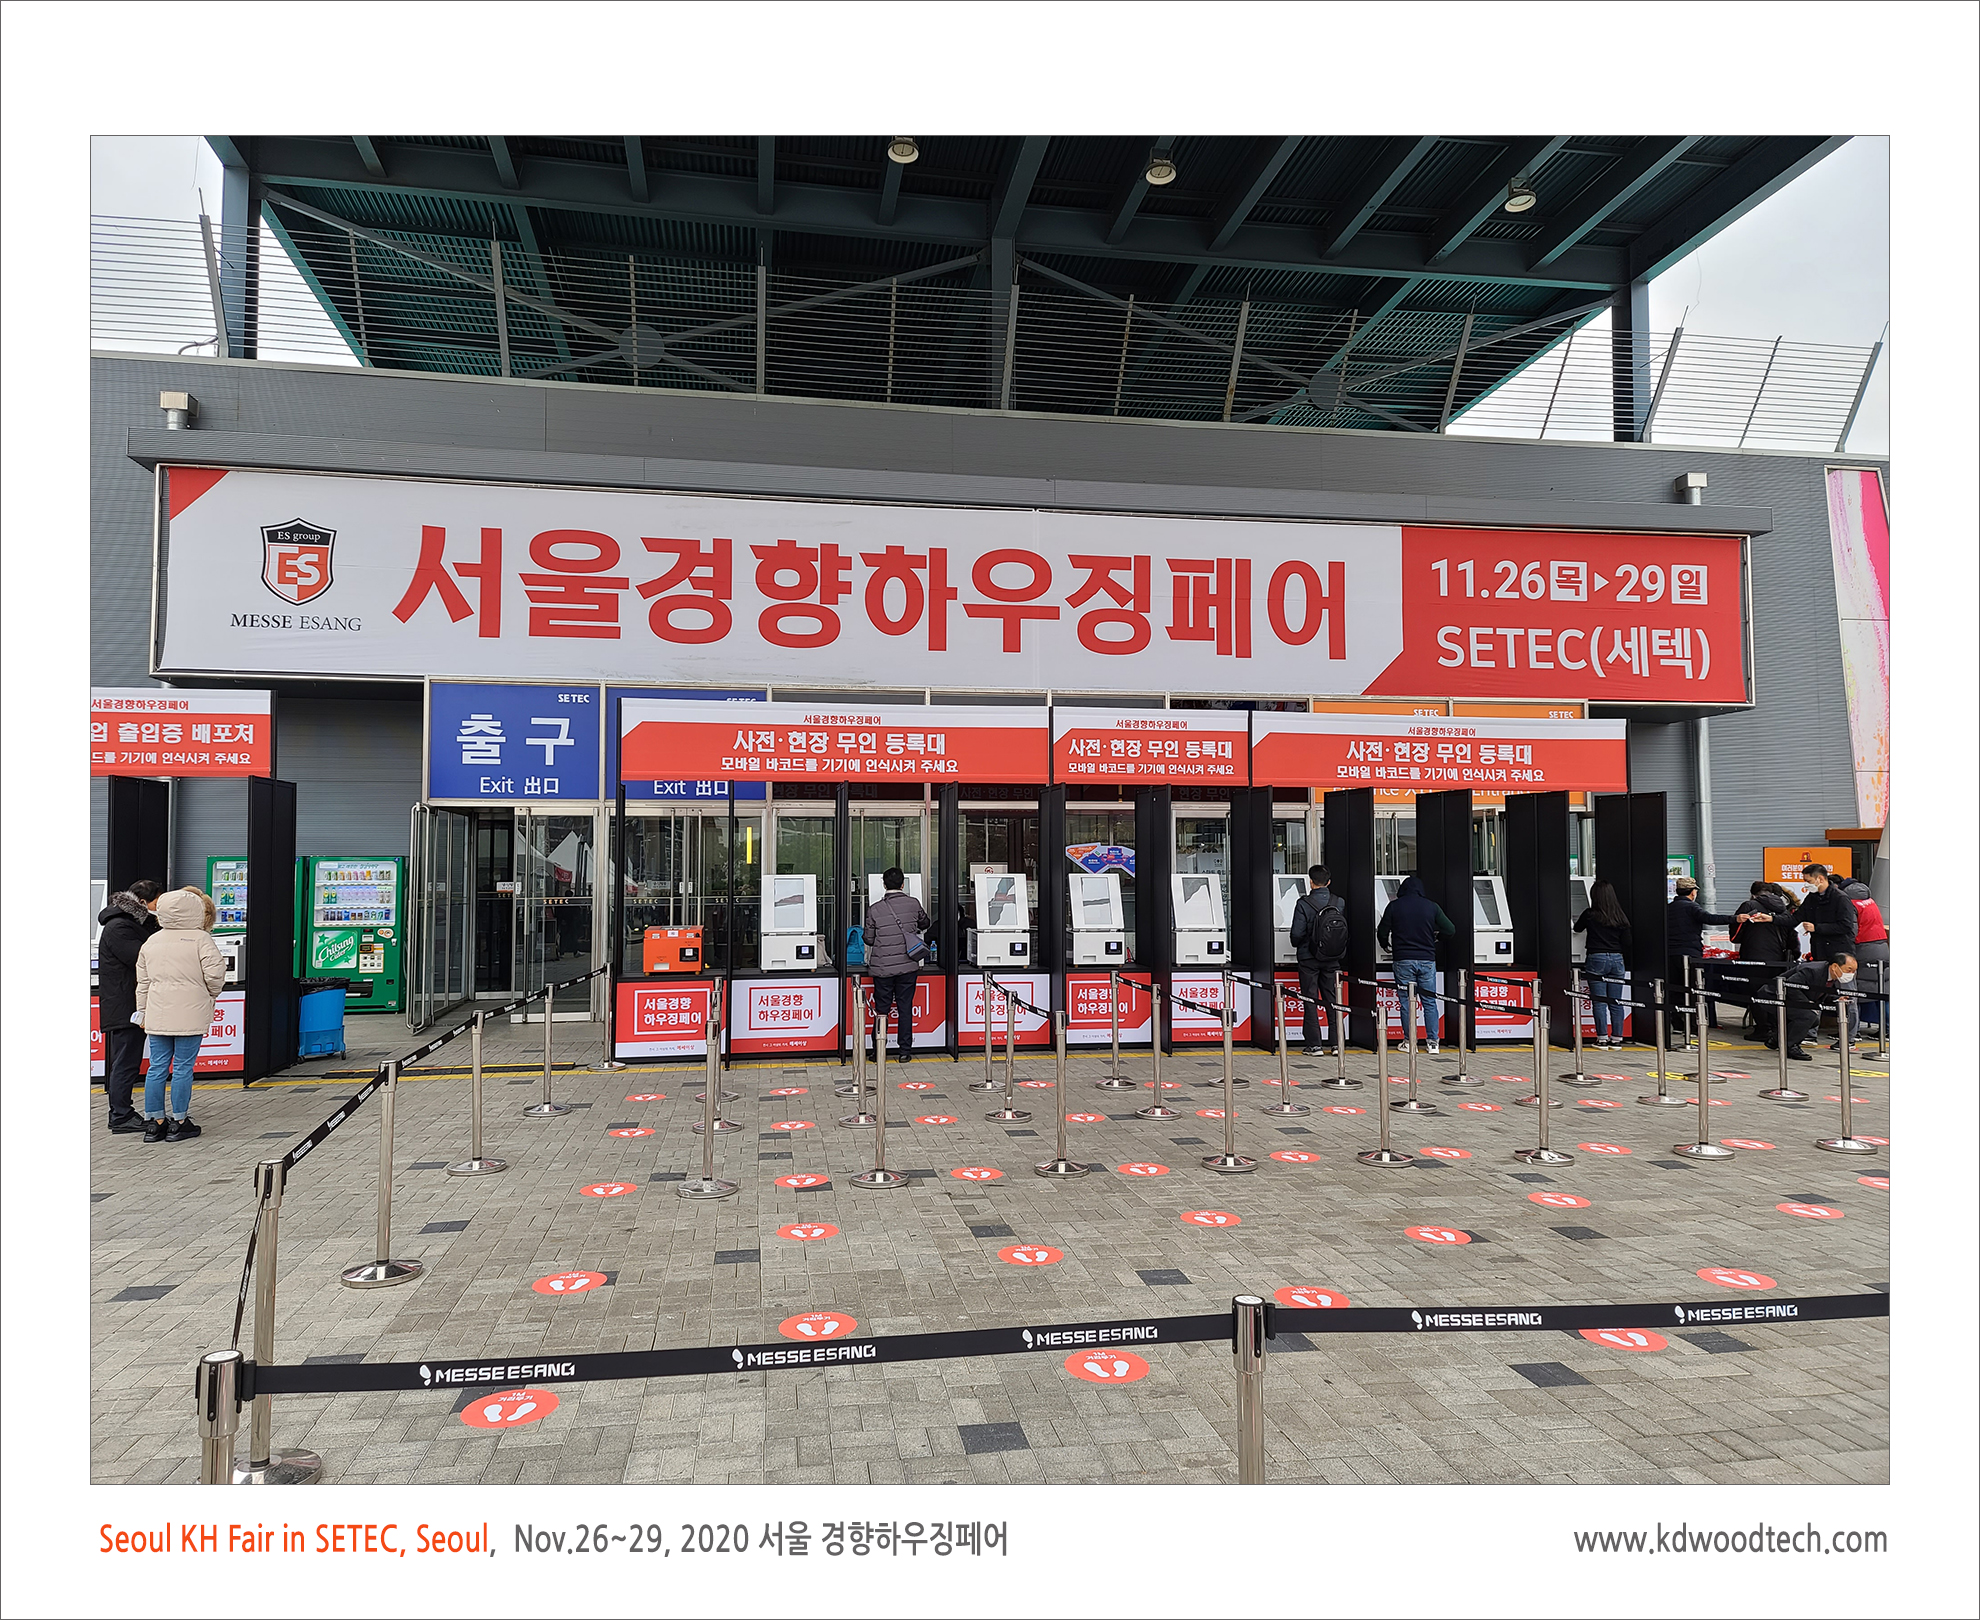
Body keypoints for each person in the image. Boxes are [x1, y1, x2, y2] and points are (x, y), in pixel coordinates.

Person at [134, 887, 226, 1142]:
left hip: (158, 1013)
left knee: (157, 1067)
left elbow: (143, 982)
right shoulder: (201, 939)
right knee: (183, 1068)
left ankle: (155, 1122)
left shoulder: (152, 941)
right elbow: (215, 974)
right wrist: (208, 994)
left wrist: (142, 1011)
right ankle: (180, 1121)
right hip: (190, 1012)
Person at [96, 879, 164, 1133]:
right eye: (158, 901)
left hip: (130, 1002)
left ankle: (123, 1112)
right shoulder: (119, 927)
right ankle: (120, 1115)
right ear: (143, 901)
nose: (160, 907)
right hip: (124, 1005)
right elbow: (141, 958)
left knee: (129, 1061)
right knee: (125, 1062)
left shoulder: (134, 923)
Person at [1376, 874, 1454, 1054]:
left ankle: (1410, 1042)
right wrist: (1437, 938)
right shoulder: (1431, 906)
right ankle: (1433, 1043)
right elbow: (1450, 929)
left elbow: (1382, 931)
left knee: (1406, 1002)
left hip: (1403, 960)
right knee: (1429, 1002)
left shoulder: (1394, 906)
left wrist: (1385, 945)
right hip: (1427, 960)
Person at [861, 867, 930, 1064]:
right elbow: (925, 923)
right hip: (908, 966)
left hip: (882, 968)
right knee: (905, 1008)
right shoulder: (913, 903)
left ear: (884, 885)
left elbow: (868, 939)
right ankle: (904, 1052)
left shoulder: (874, 909)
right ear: (903, 885)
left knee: (881, 1010)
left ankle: (878, 1051)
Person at [1664, 877, 1732, 1050]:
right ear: (1693, 892)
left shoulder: (1669, 908)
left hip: (1670, 954)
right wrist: (1735, 919)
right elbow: (1710, 918)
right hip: (1690, 954)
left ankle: (1677, 1023)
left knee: (1674, 989)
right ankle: (1694, 1026)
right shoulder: (1691, 907)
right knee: (1694, 990)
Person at [1288, 864, 1348, 1056]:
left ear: (1311, 882)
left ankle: (1314, 1045)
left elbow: (1296, 934)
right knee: (1333, 1000)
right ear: (1328, 882)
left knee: (1310, 999)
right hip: (1332, 958)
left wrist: (1299, 944)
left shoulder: (1303, 903)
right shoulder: (1338, 902)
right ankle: (1337, 1044)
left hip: (1309, 958)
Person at [1573, 879, 1631, 1048]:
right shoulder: (1620, 916)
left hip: (1596, 958)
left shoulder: (1590, 914)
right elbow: (1628, 942)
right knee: (1616, 1001)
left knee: (1599, 1001)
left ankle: (1602, 1038)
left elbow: (1577, 928)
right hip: (1617, 959)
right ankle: (1617, 1039)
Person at [1771, 951, 1858, 1060]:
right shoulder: (1813, 971)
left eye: (1854, 971)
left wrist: (1836, 999)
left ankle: (1775, 1040)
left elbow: (1821, 994)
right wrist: (1807, 1004)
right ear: (1835, 966)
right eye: (1849, 970)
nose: (1851, 974)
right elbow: (1790, 986)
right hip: (1775, 996)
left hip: (1792, 999)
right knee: (1808, 1017)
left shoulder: (1832, 976)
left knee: (1813, 1019)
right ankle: (1791, 1046)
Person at [1839, 877, 1887, 1036]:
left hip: (1863, 948)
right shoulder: (1869, 901)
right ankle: (1887, 1028)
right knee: (1882, 988)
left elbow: (1851, 930)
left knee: (1856, 989)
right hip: (1882, 946)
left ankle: (1854, 1031)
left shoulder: (1850, 904)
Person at [1731, 881, 1794, 964]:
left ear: (1753, 894)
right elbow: (1791, 933)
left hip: (1751, 954)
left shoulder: (1749, 906)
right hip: (1778, 956)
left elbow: (1735, 931)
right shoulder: (1783, 909)